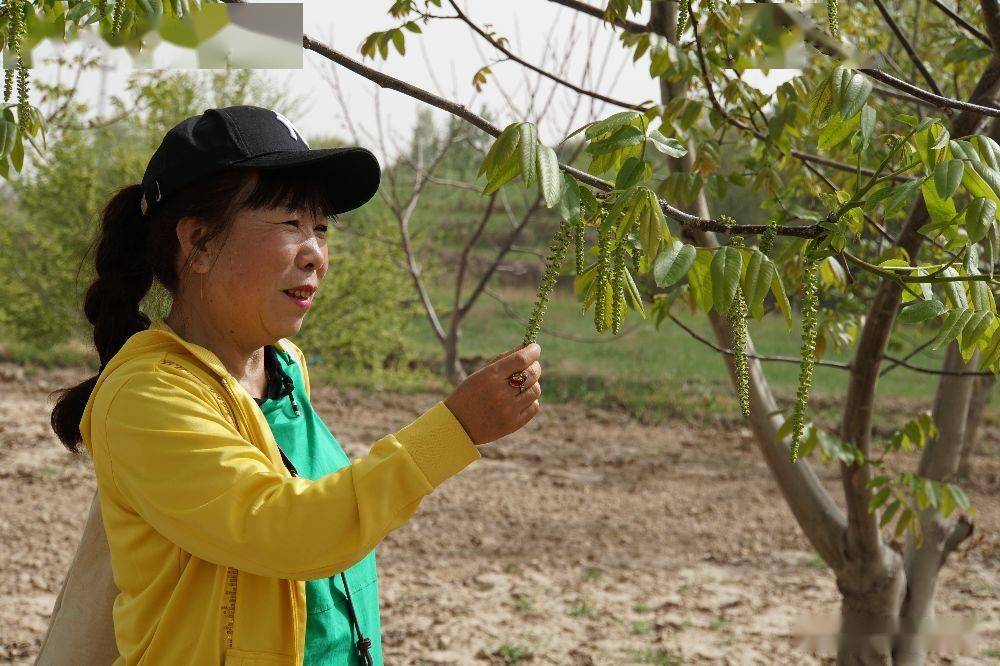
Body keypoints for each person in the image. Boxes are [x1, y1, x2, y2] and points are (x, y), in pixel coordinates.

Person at [46, 105, 543, 665]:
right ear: (199, 244)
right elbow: (288, 531)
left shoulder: (284, 367)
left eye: (322, 229)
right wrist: (453, 431)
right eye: (290, 225)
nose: (316, 255)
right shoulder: (145, 397)